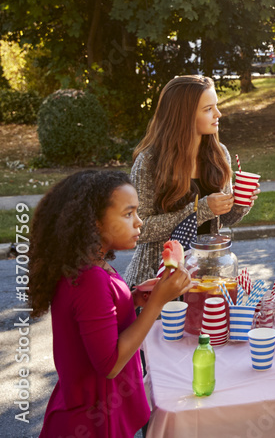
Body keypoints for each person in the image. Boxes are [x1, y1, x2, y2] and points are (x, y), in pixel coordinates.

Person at [28, 170, 192, 437]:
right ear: (94, 223)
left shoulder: (93, 265)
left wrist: (134, 300)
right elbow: (110, 363)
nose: (139, 222)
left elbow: (101, 317)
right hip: (93, 423)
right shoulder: (90, 278)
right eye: (128, 214)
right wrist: (156, 305)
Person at [123, 75, 255, 288]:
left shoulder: (219, 155)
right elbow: (140, 229)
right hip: (156, 282)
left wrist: (240, 203)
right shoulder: (149, 161)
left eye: (216, 106)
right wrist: (200, 209)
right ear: (183, 116)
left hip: (204, 278)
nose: (218, 114)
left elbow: (223, 220)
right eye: (208, 109)